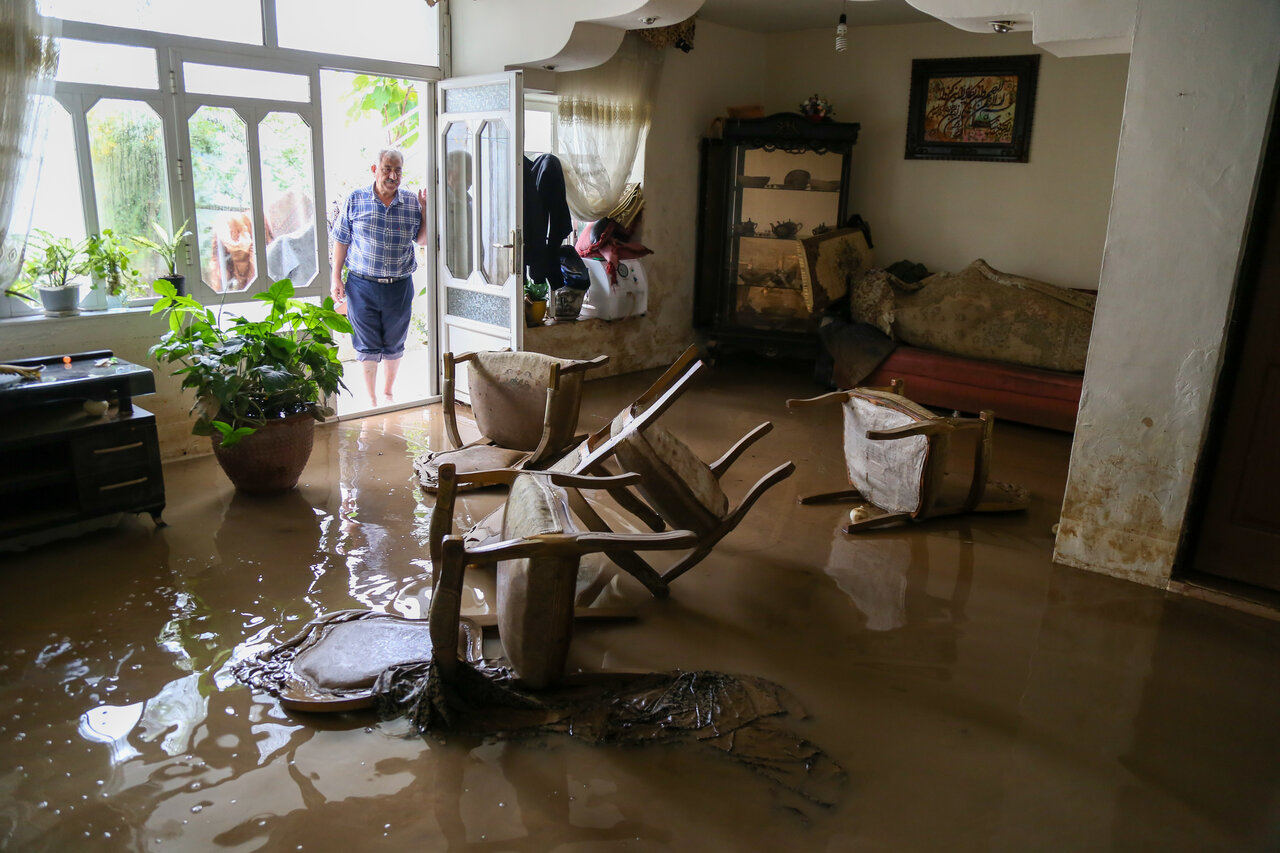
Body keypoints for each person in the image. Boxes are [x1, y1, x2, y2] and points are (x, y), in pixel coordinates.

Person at [330, 148, 428, 405]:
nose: (393, 175)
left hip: (399, 285)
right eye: (387, 169)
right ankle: (371, 399)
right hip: (361, 285)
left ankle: (387, 393)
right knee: (365, 343)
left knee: (395, 342)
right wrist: (336, 278)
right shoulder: (356, 198)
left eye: (398, 170)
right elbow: (341, 240)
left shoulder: (411, 202)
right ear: (375, 170)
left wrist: (426, 209)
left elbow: (423, 240)